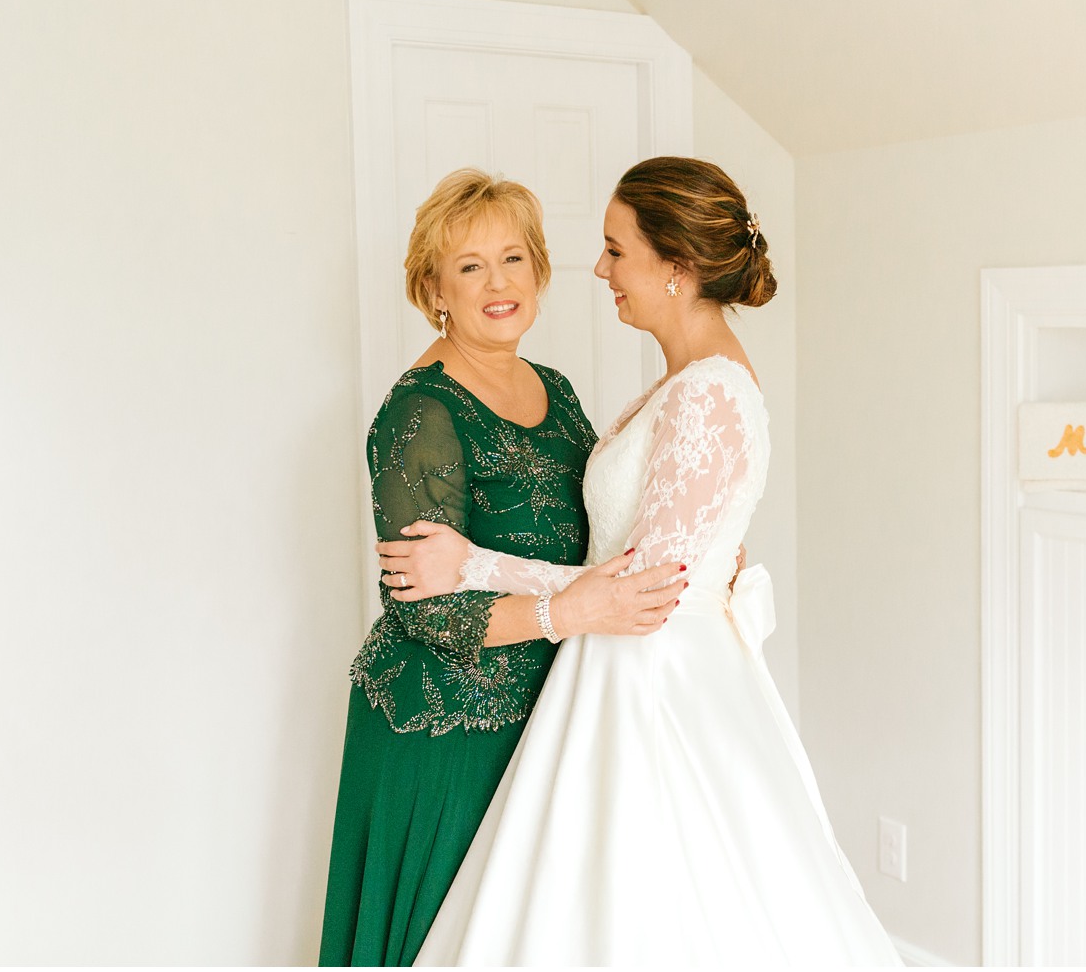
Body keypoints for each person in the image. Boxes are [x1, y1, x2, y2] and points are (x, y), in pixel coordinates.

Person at [376, 157, 903, 968]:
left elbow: (637, 588)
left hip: (651, 675)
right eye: (472, 264)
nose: (600, 268)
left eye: (617, 250)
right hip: (596, 669)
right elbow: (635, 553)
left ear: (677, 269)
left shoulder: (704, 392)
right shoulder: (681, 385)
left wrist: (475, 561)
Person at [319, 168, 687, 968]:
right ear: (434, 288)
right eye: (471, 265)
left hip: (547, 708)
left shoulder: (553, 388)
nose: (499, 283)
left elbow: (592, 531)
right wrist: (572, 614)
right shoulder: (419, 411)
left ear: (541, 272)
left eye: (513, 258)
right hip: (446, 724)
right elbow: (422, 606)